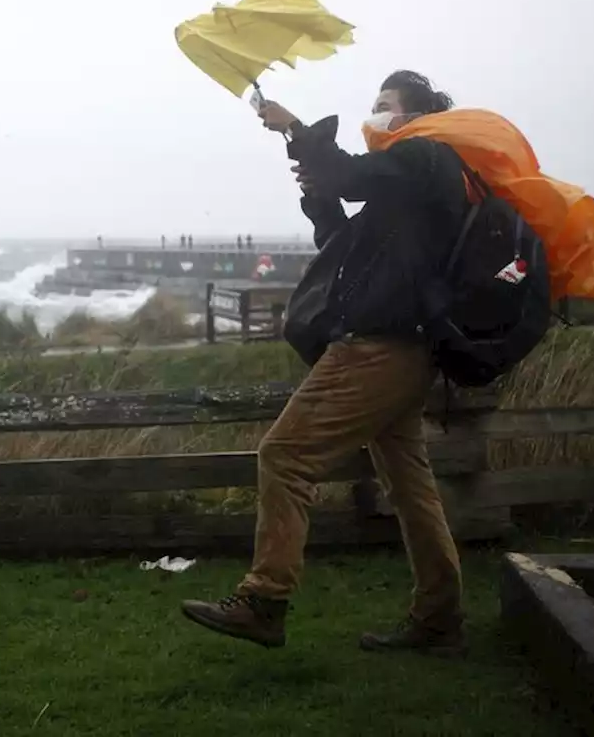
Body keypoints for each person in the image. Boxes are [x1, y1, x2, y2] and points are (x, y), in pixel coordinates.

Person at [180, 70, 471, 657]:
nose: (374, 114)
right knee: (411, 487)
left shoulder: (428, 157)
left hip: (378, 348)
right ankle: (438, 616)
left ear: (415, 118)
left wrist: (293, 127)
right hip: (402, 352)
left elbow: (351, 172)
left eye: (385, 106)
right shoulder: (406, 188)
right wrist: (318, 193)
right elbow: (342, 241)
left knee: (285, 456)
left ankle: (265, 599)